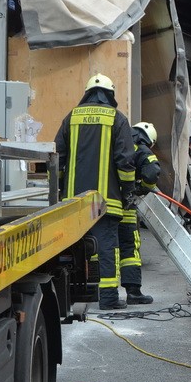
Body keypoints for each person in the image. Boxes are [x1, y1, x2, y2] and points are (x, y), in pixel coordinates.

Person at [55, 73, 136, 310]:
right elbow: (125, 163)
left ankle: (73, 296)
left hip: (74, 202)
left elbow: (57, 157)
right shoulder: (117, 119)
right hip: (105, 202)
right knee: (105, 248)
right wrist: (128, 192)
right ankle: (108, 299)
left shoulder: (71, 118)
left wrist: (60, 191)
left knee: (74, 249)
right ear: (110, 95)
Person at [117, 121, 161, 305]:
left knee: (105, 247)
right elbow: (152, 172)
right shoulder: (141, 149)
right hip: (125, 206)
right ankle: (133, 292)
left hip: (102, 204)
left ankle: (102, 292)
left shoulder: (118, 142)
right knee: (129, 247)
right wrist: (143, 189)